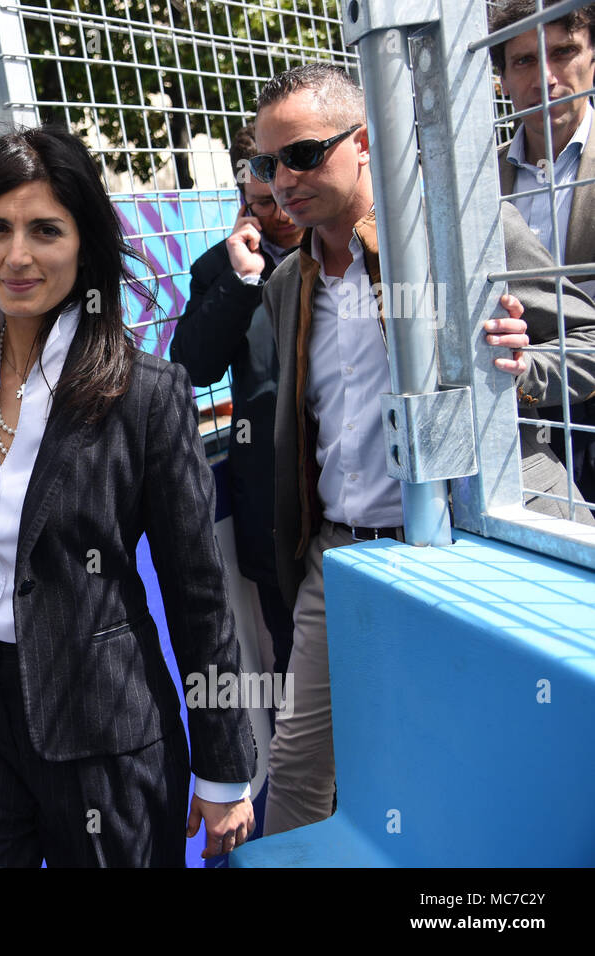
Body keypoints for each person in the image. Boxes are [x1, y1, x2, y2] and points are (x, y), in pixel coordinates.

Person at [0, 125, 257, 867]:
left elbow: (198, 594)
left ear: (85, 246)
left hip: (106, 730)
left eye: (46, 230)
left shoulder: (145, 393)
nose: (17, 256)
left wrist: (223, 763)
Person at [249, 63, 595, 835]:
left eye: (302, 154)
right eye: (265, 164)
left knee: (493, 766)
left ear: (365, 143)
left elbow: (587, 336)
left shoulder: (460, 234)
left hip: (463, 554)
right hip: (335, 564)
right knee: (299, 776)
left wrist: (524, 368)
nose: (281, 181)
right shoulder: (287, 285)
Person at [170, 123, 302, 688]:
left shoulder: (354, 247)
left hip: (361, 500)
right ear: (241, 200)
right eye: (261, 202)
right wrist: (240, 280)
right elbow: (193, 367)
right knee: (296, 664)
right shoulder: (218, 268)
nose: (281, 212)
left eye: (285, 195)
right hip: (276, 506)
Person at [491, 0, 595, 502]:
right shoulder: (475, 186)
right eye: (524, 61)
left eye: (564, 51)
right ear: (502, 80)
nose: (546, 77)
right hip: (516, 421)